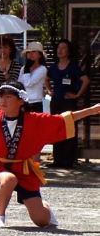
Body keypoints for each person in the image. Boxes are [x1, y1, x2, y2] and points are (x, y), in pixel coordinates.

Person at [0, 81, 100, 228]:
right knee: (9, 179)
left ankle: (45, 206)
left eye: (9, 97)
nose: (3, 100)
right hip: (0, 167)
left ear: (20, 100)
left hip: (24, 169)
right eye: (1, 97)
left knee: (41, 221)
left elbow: (64, 119)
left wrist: (92, 110)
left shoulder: (35, 120)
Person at [45, 39, 90, 168]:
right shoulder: (53, 66)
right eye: (59, 48)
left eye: (63, 48)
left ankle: (69, 160)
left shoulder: (73, 66)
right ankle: (57, 160)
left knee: (69, 129)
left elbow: (85, 80)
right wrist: (49, 90)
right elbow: (46, 79)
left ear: (69, 51)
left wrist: (77, 95)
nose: (60, 50)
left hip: (69, 102)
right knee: (56, 129)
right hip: (56, 101)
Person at [18, 42, 48, 113]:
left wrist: (27, 71)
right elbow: (20, 84)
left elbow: (28, 84)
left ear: (40, 55)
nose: (31, 54)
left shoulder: (42, 69)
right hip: (23, 102)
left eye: (34, 52)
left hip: (35, 102)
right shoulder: (23, 68)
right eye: (28, 52)